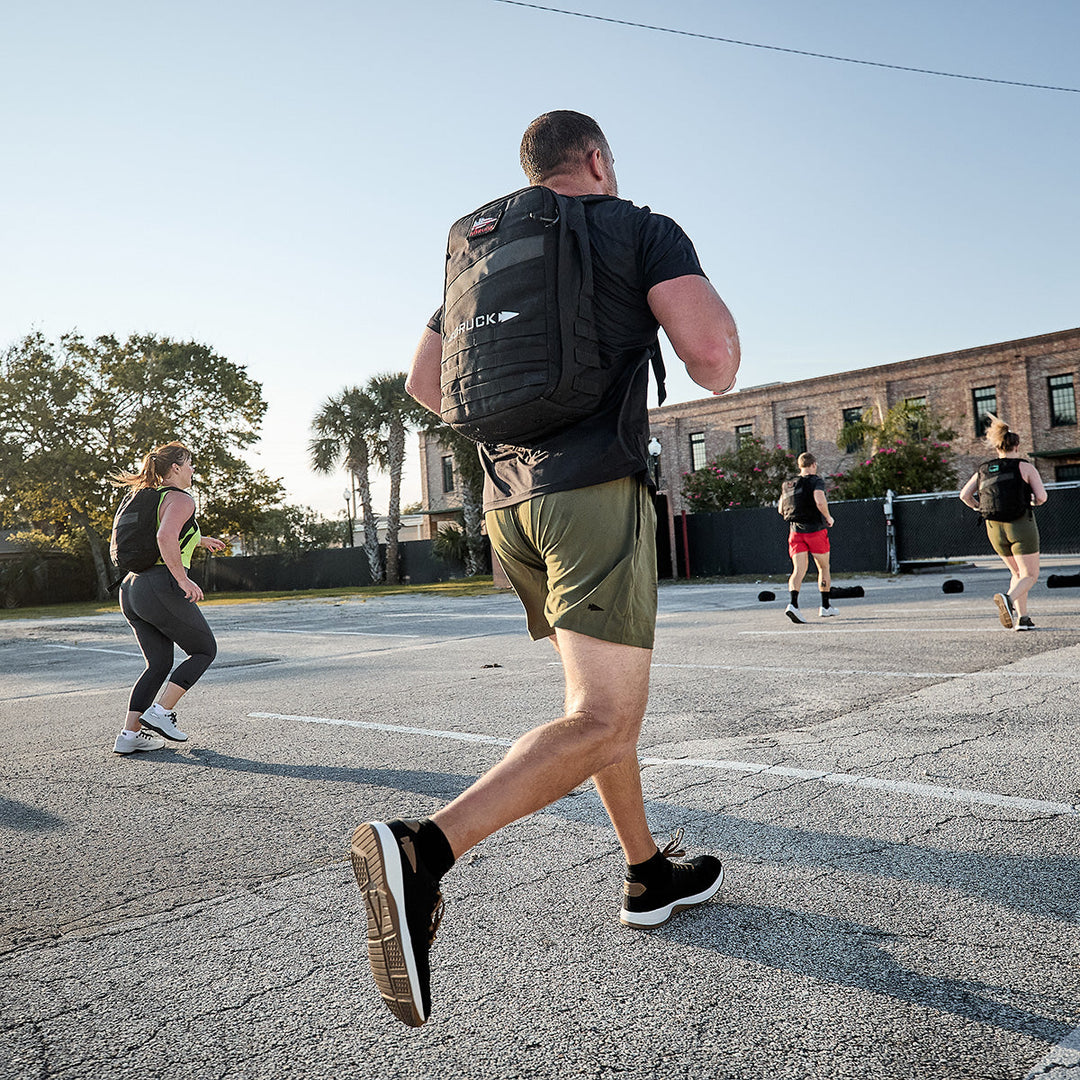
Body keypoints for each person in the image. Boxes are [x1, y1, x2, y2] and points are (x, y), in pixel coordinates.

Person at [350, 110, 741, 1027]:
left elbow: (423, 384)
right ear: (597, 159)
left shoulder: (478, 244)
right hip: (593, 491)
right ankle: (423, 851)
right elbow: (714, 361)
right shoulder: (636, 225)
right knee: (605, 718)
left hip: (507, 503)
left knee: (597, 710)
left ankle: (646, 873)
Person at [110, 442, 225, 753]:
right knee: (204, 650)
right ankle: (161, 713)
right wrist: (183, 578)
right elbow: (164, 537)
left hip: (131, 590)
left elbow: (163, 532)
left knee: (158, 664)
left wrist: (200, 540)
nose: (192, 470)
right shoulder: (180, 498)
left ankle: (130, 735)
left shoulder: (148, 497)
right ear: (175, 468)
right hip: (159, 586)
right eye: (189, 464)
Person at [958, 415, 1047, 630]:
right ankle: (1007, 599)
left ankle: (1022, 619)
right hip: (1020, 524)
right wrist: (1032, 501)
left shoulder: (984, 469)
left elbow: (964, 495)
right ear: (1017, 445)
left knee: (1017, 573)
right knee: (1030, 575)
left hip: (993, 527)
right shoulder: (1025, 467)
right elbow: (1042, 497)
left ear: (997, 447)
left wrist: (978, 507)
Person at [782, 452, 836, 623]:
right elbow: (819, 500)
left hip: (795, 532)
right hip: (815, 531)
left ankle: (793, 605)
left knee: (798, 570)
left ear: (800, 466)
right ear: (813, 465)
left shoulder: (788, 484)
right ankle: (825, 607)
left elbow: (780, 509)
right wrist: (828, 517)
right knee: (823, 567)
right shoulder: (816, 480)